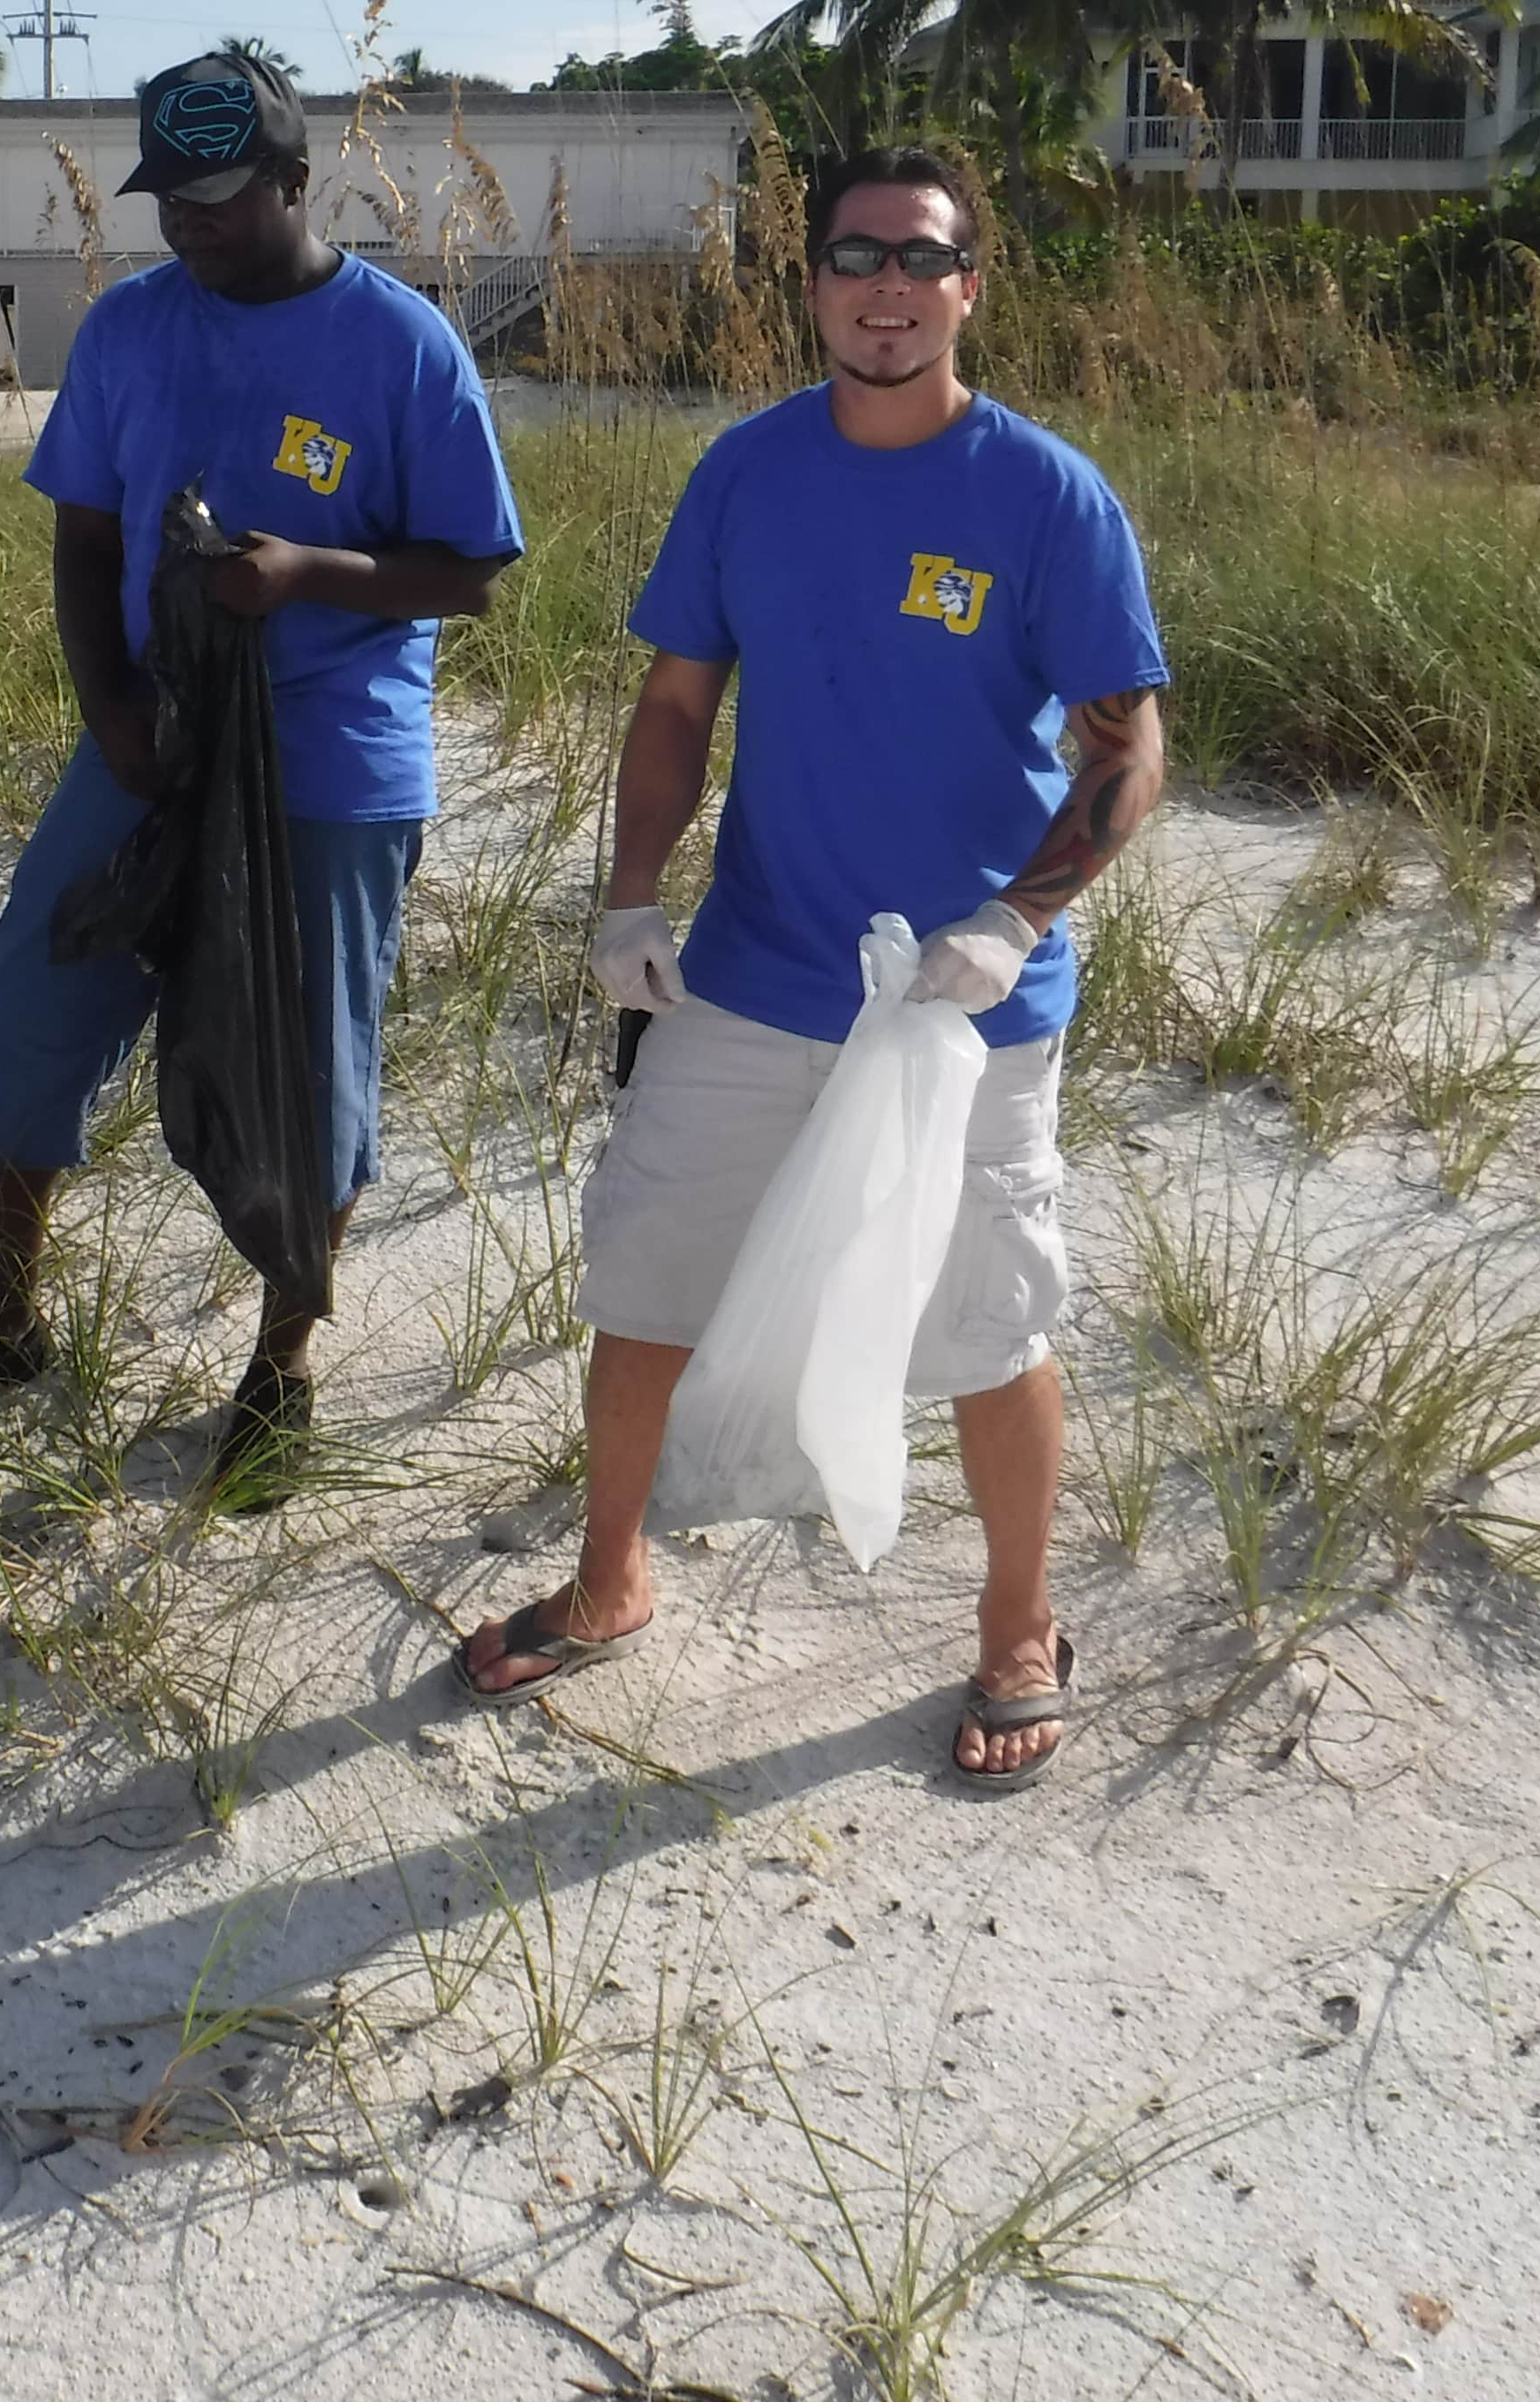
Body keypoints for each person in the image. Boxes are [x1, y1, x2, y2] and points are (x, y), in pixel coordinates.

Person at [456, 146, 1169, 1789]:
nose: (889, 290)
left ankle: (1016, 1624)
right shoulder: (747, 472)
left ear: (969, 289)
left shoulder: (1046, 493)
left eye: (923, 262)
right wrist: (631, 895)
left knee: (990, 1317)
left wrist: (1016, 920)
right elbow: (673, 704)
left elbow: (1126, 754)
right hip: (760, 965)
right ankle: (613, 1574)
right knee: (646, 1272)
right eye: (857, 258)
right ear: (814, 284)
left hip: (963, 1007)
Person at [0, 49, 524, 1506]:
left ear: (297, 181)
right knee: (33, 1000)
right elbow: (84, 541)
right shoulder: (129, 330)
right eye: (170, 197)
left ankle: (282, 1366)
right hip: (152, 741)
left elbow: (470, 576)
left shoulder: (403, 347)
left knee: (302, 1073)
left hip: (330, 758)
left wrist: (307, 577)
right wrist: (109, 713)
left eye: (222, 197)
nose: (191, 224)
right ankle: (0, 1321)